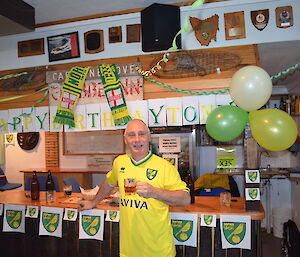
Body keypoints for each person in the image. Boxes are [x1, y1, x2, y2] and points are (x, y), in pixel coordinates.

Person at [79, 119, 191, 257]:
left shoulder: (164, 166)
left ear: (149, 137)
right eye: (131, 135)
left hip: (158, 251)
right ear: (125, 140)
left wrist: (154, 192)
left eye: (141, 134)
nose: (137, 139)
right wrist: (93, 202)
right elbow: (109, 183)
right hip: (128, 251)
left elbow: (185, 199)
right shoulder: (120, 162)